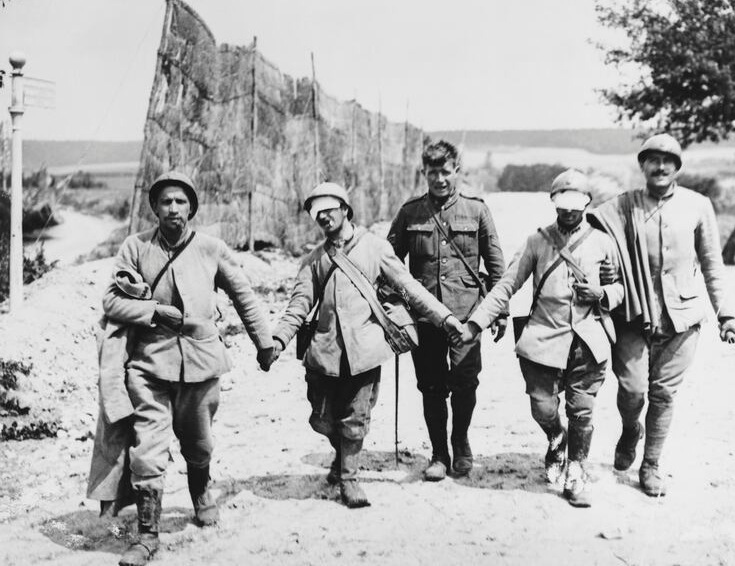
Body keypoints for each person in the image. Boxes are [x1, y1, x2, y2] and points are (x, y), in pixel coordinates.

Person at [100, 172, 275, 566]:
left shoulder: (210, 248)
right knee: (147, 450)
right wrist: (151, 311)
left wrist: (264, 342)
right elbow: (111, 301)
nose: (173, 208)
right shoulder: (135, 247)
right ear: (156, 208)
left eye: (180, 201)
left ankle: (200, 491)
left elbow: (243, 294)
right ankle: (147, 535)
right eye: (166, 202)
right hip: (148, 368)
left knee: (199, 444)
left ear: (191, 208)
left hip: (201, 366)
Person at [262, 182, 464, 508]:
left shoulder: (375, 248)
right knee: (322, 419)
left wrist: (444, 318)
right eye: (316, 211)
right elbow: (298, 306)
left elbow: (410, 288)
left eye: (329, 208)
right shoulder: (313, 261)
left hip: (365, 350)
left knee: (355, 418)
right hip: (325, 351)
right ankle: (343, 454)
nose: (323, 216)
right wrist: (278, 339)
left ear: (345, 208)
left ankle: (349, 479)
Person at [460, 169, 624, 507]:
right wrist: (476, 323)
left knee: (582, 410)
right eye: (561, 204)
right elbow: (506, 285)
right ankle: (555, 437)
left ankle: (576, 470)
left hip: (588, 340)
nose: (568, 211)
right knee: (543, 407)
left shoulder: (603, 243)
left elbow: (621, 288)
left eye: (575, 204)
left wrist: (603, 293)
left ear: (586, 204)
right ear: (553, 204)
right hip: (543, 337)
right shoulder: (537, 242)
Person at [589, 133, 735, 498]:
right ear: (642, 165)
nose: (660, 167)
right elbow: (591, 239)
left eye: (668, 161)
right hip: (632, 315)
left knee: (664, 395)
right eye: (653, 160)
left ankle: (651, 465)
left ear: (677, 168)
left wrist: (727, 315)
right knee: (632, 391)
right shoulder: (622, 207)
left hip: (682, 320)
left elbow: (712, 265)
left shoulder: (697, 205)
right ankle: (630, 431)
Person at [387, 140, 507, 481]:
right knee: (431, 387)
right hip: (424, 318)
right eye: (432, 172)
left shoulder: (477, 211)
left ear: (458, 172)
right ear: (423, 173)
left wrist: (500, 312)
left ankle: (461, 441)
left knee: (466, 383)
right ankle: (439, 452)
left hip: (467, 316)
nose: (439, 179)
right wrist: (392, 306)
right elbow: (389, 265)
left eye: (446, 171)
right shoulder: (410, 213)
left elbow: (497, 267)